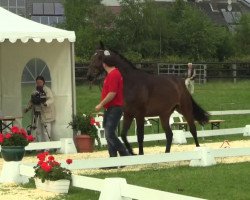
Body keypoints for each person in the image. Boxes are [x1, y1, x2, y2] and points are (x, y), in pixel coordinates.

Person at [95, 53, 130, 158]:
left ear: (105, 64)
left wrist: (101, 104)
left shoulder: (114, 74)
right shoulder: (111, 74)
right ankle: (113, 159)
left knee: (109, 133)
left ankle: (124, 153)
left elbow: (112, 93)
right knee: (108, 134)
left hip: (114, 108)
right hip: (110, 108)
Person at [24, 76, 55, 142]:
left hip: (46, 113)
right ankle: (39, 146)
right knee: (38, 131)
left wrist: (45, 103)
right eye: (37, 82)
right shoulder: (35, 91)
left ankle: (47, 147)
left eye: (40, 82)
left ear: (43, 82)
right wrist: (27, 108)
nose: (39, 83)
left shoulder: (47, 90)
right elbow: (32, 101)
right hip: (37, 113)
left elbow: (51, 99)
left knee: (46, 131)